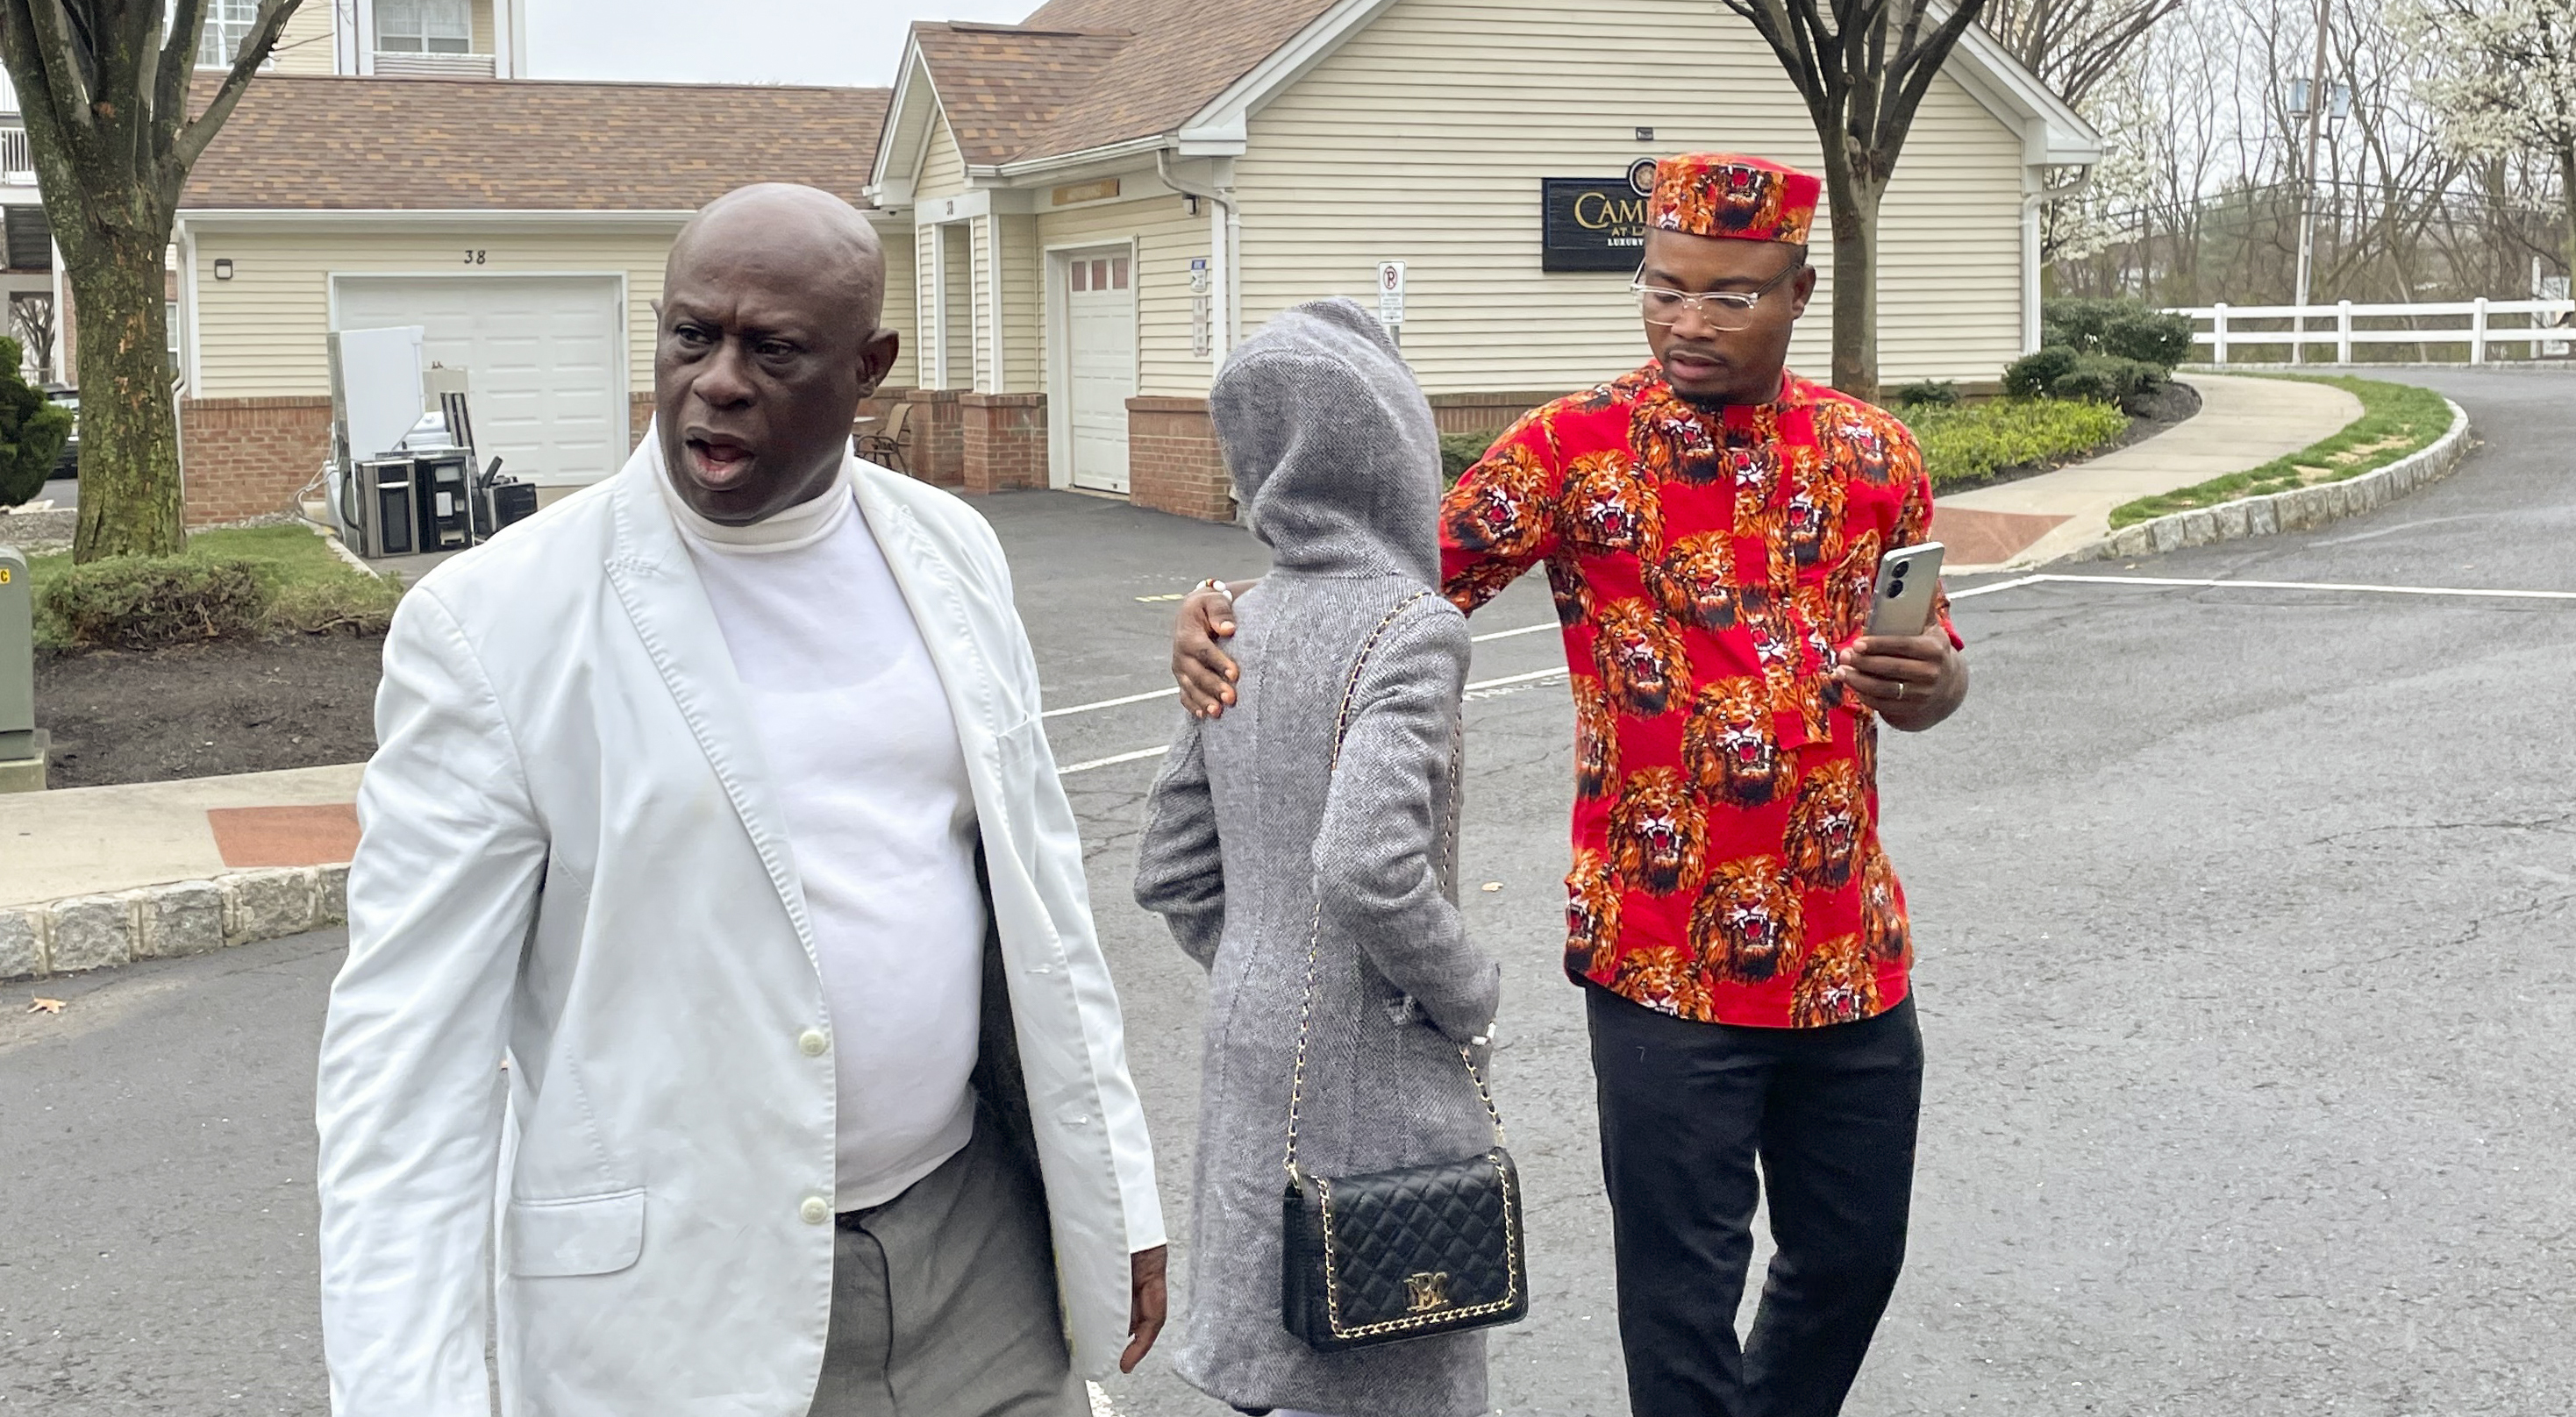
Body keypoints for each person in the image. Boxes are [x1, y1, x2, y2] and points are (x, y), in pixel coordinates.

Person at [316, 183, 1167, 1416]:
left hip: (978, 1253)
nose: (716, 378)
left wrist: (1117, 1184)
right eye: (688, 335)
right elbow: (406, 1056)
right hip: (683, 1314)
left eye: (773, 348)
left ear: (866, 368)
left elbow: (1042, 899)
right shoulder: (496, 624)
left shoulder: (952, 553)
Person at [1172, 153, 1967, 1417]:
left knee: (1853, 1256)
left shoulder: (1875, 456)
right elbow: (1374, 582)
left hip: (1847, 950)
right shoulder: (1571, 449)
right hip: (1658, 956)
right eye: (1663, 290)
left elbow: (1933, 661)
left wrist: (1932, 683)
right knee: (1682, 1294)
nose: (1688, 322)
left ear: (1799, 291)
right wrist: (1228, 621)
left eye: (1729, 295)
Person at [1136, 299, 1504, 1417]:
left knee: (1278, 1336)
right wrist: (1465, 986)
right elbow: (1367, 866)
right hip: (1375, 1049)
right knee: (1392, 1343)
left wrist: (1261, 953)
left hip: (1253, 1033)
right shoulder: (1411, 626)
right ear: (1393, 449)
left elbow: (1171, 864)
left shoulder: (1236, 620)